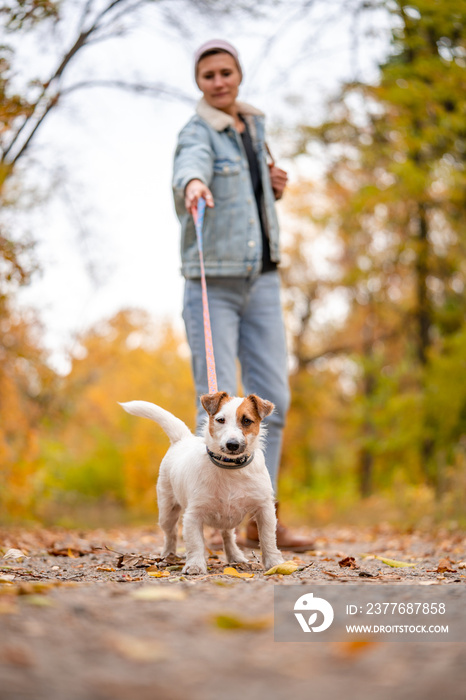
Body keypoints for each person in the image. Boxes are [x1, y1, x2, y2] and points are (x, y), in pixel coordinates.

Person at [172, 39, 313, 551]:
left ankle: (260, 514)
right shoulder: (197, 131)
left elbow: (252, 200)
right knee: (213, 399)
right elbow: (191, 161)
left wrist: (270, 186)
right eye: (208, 75)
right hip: (214, 280)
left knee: (276, 389)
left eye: (226, 72)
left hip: (263, 276)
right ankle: (206, 513)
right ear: (200, 82)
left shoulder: (254, 130)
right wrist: (192, 184)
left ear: (238, 74)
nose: (219, 81)